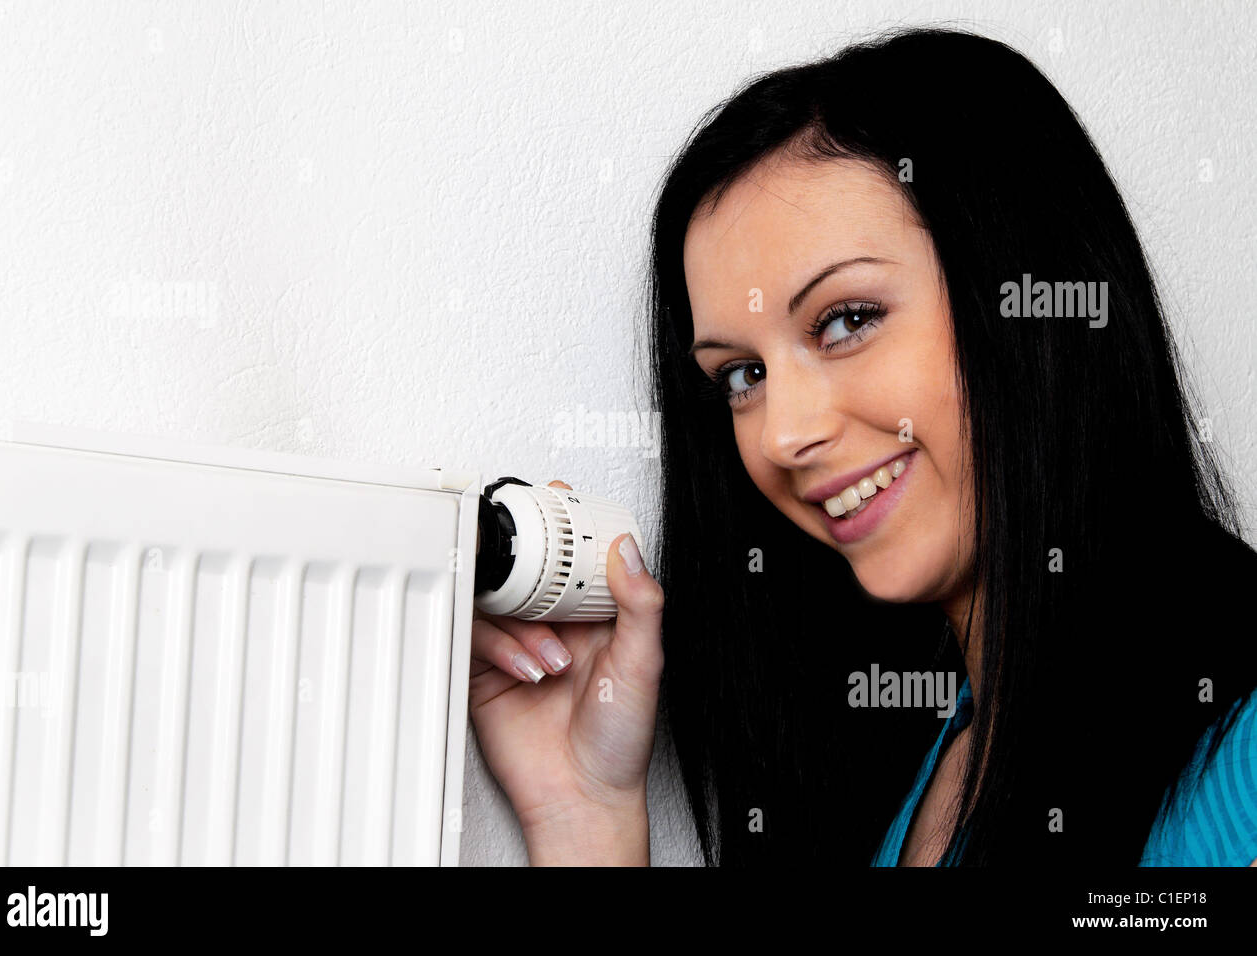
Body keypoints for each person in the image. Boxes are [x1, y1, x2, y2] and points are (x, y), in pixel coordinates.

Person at [469, 27, 1257, 866]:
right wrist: (584, 815)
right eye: (741, 375)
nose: (781, 435)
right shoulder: (912, 770)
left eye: (846, 320)